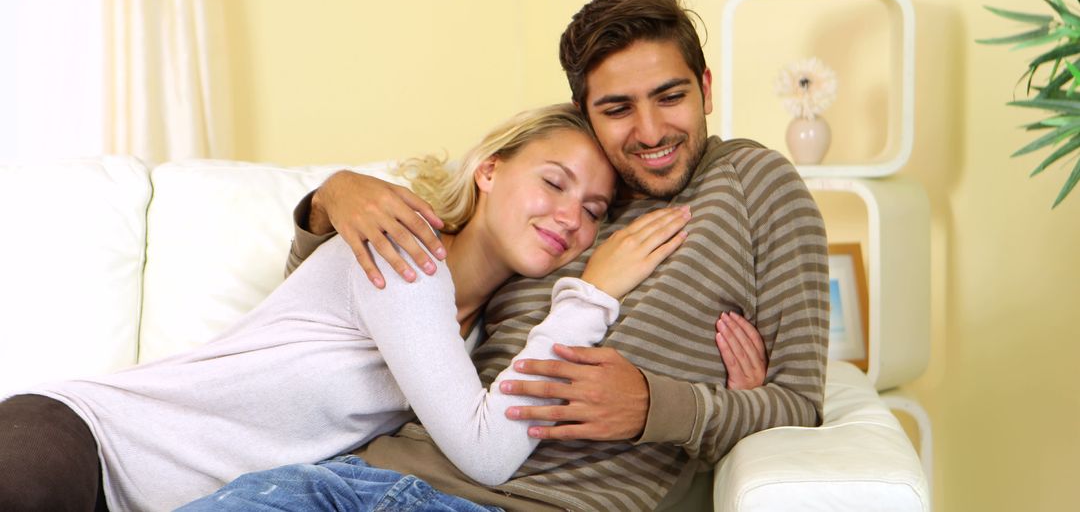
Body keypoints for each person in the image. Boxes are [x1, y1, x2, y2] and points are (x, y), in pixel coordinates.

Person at [185, 0, 827, 512]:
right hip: (344, 481)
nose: (651, 130)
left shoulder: (754, 183)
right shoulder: (544, 211)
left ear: (706, 88)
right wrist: (330, 199)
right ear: (585, 111)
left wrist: (659, 408)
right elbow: (343, 326)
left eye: (671, 96)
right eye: (617, 108)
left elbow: (799, 405)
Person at [0, 104, 757, 512]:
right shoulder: (406, 253)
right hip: (87, 439)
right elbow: (488, 450)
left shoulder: (482, 333)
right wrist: (592, 293)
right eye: (554, 183)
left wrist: (731, 403)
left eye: (594, 209)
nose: (572, 219)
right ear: (489, 172)